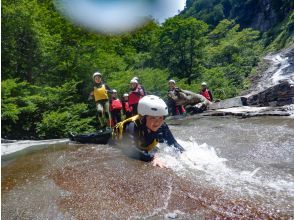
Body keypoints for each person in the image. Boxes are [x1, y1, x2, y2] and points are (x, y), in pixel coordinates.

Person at [113, 95, 184, 167]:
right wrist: (152, 158)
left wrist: (185, 155)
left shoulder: (162, 125)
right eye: (153, 118)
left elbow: (173, 142)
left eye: (161, 117)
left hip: (143, 138)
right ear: (142, 118)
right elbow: (131, 149)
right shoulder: (132, 126)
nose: (157, 122)